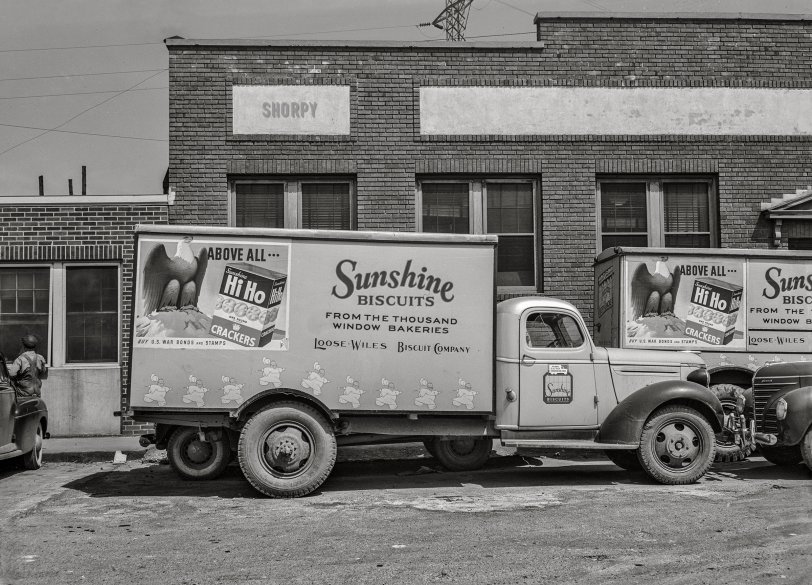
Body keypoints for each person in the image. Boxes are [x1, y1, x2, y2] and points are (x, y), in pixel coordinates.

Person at [7, 334, 48, 399]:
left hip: (23, 393)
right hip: (37, 392)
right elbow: (43, 371)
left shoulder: (20, 359)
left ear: (23, 346)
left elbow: (11, 374)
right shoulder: (40, 358)